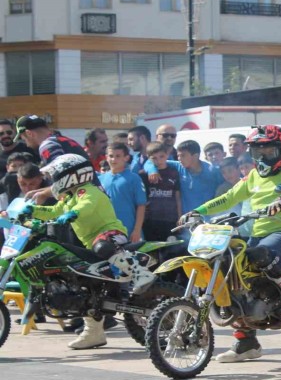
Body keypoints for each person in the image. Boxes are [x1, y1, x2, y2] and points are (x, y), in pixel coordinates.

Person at [179, 125, 281, 363]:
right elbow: (229, 197)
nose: (262, 157)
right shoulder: (253, 176)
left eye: (268, 151)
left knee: (263, 252)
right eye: (257, 152)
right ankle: (246, 342)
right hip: (256, 234)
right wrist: (198, 211)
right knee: (233, 278)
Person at [22, 154, 156, 349]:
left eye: (56, 176)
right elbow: (53, 211)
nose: (53, 181)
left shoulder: (89, 190)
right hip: (91, 244)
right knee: (84, 285)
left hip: (111, 236)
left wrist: (73, 213)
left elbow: (87, 205)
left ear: (72, 175)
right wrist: (32, 211)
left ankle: (139, 273)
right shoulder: (69, 197)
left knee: (102, 245)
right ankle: (94, 333)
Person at [145, 140, 223, 214]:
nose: (179, 158)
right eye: (178, 155)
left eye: (183, 155)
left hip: (209, 218)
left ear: (195, 156)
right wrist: (152, 170)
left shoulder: (212, 171)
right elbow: (150, 161)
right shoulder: (179, 167)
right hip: (187, 219)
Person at [99, 143, 147, 243]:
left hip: (129, 229)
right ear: (106, 157)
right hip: (106, 231)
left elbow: (141, 206)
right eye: (111, 156)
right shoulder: (100, 179)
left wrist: (137, 230)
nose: (113, 159)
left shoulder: (134, 178)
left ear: (126, 158)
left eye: (118, 156)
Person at [141, 142, 181, 242]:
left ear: (167, 154)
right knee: (152, 248)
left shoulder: (174, 173)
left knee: (171, 248)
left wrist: (179, 217)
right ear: (148, 158)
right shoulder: (144, 175)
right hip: (150, 220)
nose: (158, 160)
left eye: (161, 156)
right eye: (154, 158)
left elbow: (178, 197)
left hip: (170, 219)